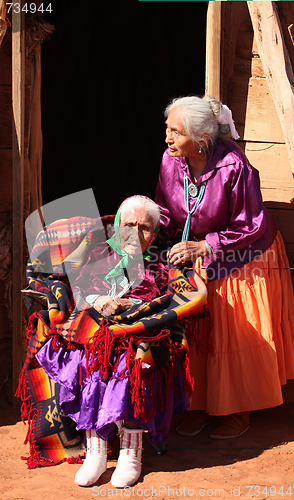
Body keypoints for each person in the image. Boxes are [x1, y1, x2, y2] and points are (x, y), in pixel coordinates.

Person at [155, 95, 294, 440]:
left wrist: (206, 246)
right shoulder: (171, 161)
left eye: (176, 131)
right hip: (195, 254)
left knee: (231, 331)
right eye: (167, 129)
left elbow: (251, 224)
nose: (168, 138)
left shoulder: (235, 166)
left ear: (201, 139)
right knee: (196, 332)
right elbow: (164, 207)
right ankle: (200, 405)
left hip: (242, 253)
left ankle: (237, 409)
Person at [35, 195, 190, 487]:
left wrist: (130, 308)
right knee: (92, 356)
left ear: (154, 234)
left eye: (144, 228)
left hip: (140, 333)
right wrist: (99, 303)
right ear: (117, 226)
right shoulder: (95, 255)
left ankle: (132, 451)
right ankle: (96, 449)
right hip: (96, 330)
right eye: (128, 225)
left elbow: (171, 302)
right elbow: (75, 294)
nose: (135, 233)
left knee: (129, 361)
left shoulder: (160, 263)